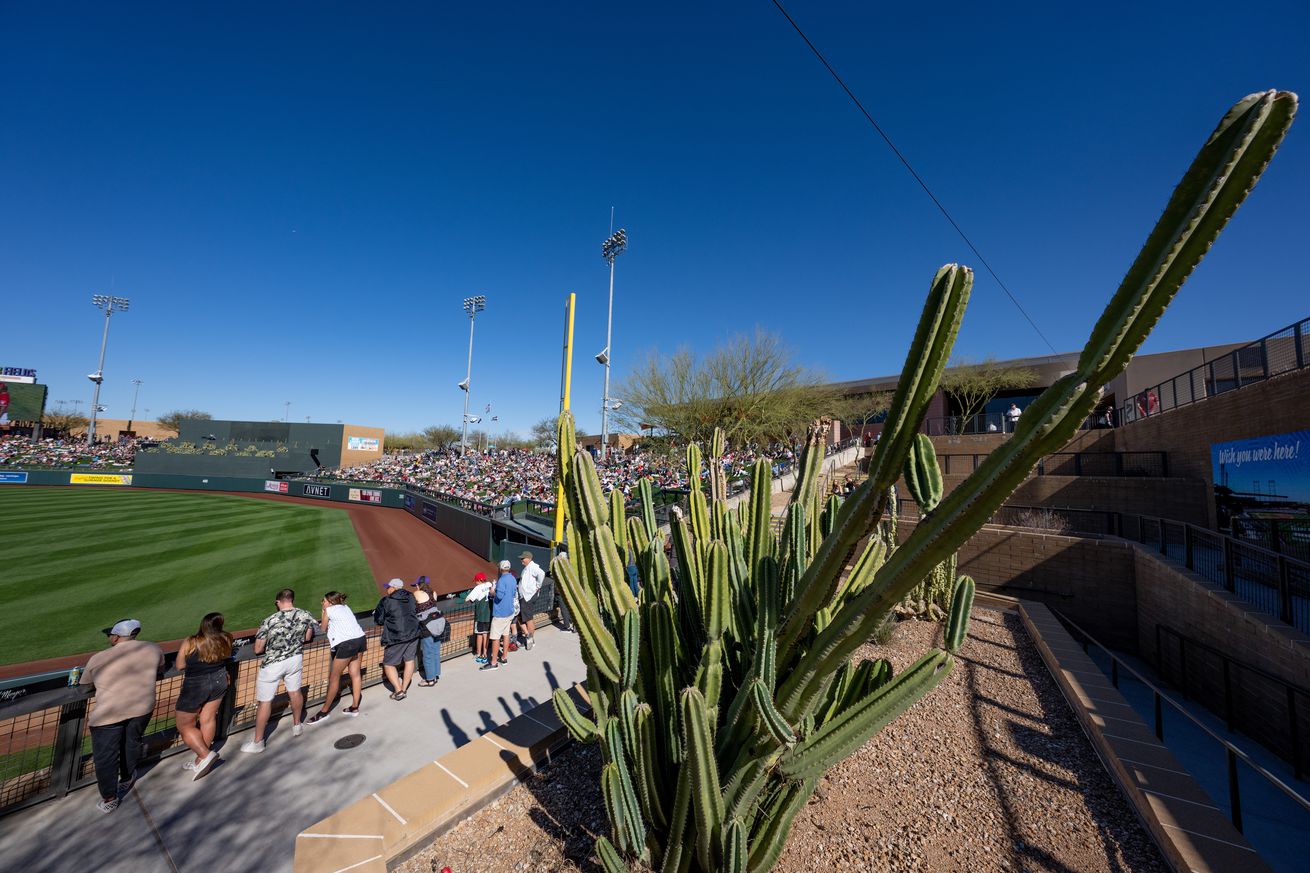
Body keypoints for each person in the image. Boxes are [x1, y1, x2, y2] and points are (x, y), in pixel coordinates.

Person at [79, 619, 164, 812]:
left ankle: (109, 797)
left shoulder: (99, 657)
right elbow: (159, 669)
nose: (109, 637)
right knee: (132, 742)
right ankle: (126, 778)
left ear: (116, 637)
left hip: (108, 714)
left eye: (110, 635)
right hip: (142, 707)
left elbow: (85, 687)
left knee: (106, 756)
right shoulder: (153, 648)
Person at [242, 588, 316, 753]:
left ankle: (258, 742)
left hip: (273, 664)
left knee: (265, 702)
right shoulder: (305, 614)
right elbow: (308, 637)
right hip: (295, 659)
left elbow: (258, 648)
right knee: (295, 692)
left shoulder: (269, 620)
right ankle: (297, 725)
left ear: (278, 602)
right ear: (292, 599)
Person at [174, 612, 233, 780]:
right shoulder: (226, 638)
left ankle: (205, 754)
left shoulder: (191, 641)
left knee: (184, 725)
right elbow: (227, 655)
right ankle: (201, 759)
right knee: (208, 718)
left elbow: (179, 665)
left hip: (196, 684)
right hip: (220, 679)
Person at [306, 591, 367, 724]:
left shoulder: (329, 611)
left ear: (331, 602)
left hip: (347, 644)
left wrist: (323, 611)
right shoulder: (346, 607)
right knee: (355, 674)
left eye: (324, 601)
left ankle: (324, 712)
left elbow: (322, 628)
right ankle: (354, 707)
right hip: (360, 639)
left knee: (334, 678)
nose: (322, 603)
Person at [373, 578, 420, 699]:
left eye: (388, 587)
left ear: (394, 588)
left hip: (396, 636)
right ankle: (403, 688)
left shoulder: (386, 600)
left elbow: (379, 620)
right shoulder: (410, 596)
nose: (387, 589)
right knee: (409, 660)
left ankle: (398, 691)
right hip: (414, 633)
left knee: (388, 664)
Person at [482, 560, 517, 671]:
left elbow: (499, 596)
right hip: (509, 612)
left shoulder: (502, 580)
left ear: (501, 568)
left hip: (501, 613)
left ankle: (493, 663)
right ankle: (504, 658)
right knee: (506, 634)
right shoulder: (512, 578)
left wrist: (492, 592)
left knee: (496, 638)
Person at [413, 577, 445, 686]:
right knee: (435, 651)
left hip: (427, 626)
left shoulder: (417, 593)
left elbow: (413, 608)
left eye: (416, 585)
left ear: (419, 585)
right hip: (438, 623)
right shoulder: (434, 592)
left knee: (427, 654)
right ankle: (435, 675)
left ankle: (430, 679)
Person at [516, 550, 545, 651]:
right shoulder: (527, 568)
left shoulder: (532, 567)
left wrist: (538, 585)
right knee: (520, 616)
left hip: (527, 596)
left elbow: (541, 574)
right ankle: (528, 636)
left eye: (523, 559)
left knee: (528, 619)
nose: (521, 560)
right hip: (524, 596)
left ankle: (530, 639)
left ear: (528, 558)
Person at [467, 572, 493, 663]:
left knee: (479, 634)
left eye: (476, 581)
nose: (475, 583)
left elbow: (468, 599)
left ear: (480, 580)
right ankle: (485, 654)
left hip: (480, 615)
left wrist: (468, 595)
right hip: (489, 614)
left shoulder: (477, 588)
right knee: (486, 633)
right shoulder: (489, 584)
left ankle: (478, 654)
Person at [550, 544, 574, 632]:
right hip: (569, 590)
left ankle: (567, 626)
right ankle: (573, 623)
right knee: (570, 606)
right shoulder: (570, 566)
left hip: (560, 591)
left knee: (564, 608)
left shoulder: (558, 568)